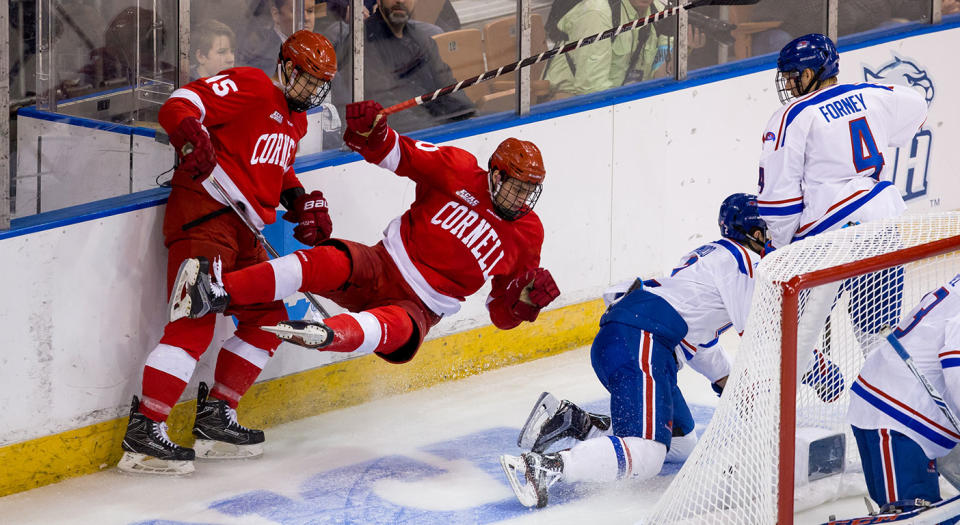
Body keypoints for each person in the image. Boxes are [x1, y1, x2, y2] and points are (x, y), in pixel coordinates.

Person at [167, 99, 560, 369]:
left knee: (395, 327)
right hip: (381, 263)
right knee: (326, 260)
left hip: (420, 308)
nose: (522, 198)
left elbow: (499, 313)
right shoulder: (457, 169)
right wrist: (372, 129)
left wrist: (524, 303)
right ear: (494, 174)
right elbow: (395, 153)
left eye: (530, 191)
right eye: (516, 187)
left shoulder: (528, 234)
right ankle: (216, 290)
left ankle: (329, 334)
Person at [118, 30, 338, 475]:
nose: (310, 91)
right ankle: (146, 428)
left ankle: (217, 415)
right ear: (285, 67)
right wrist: (190, 134)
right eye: (305, 80)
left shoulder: (294, 121)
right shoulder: (253, 85)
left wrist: (299, 201)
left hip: (244, 232)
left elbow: (275, 170)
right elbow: (179, 104)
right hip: (204, 216)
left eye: (319, 85)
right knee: (194, 322)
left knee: (271, 317)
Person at [500, 193, 766, 508]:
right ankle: (545, 468)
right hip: (642, 341)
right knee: (648, 455)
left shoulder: (708, 263)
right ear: (757, 233)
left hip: (629, 340)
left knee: (679, 444)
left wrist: (736, 385)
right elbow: (764, 333)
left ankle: (571, 422)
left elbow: (700, 344)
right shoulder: (745, 260)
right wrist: (813, 372)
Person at [757, 33, 927, 373]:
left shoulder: (793, 115)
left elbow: (780, 197)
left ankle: (776, 419)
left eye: (794, 75)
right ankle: (903, 404)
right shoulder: (871, 94)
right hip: (882, 223)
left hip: (830, 238)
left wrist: (780, 244)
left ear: (812, 72)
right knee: (876, 333)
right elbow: (918, 106)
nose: (789, 84)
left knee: (787, 334)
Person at [847, 274, 960, 513]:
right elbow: (955, 366)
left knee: (925, 513)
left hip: (901, 408)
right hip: (898, 414)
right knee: (913, 515)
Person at [331, 0, 474, 133]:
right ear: (379, 1)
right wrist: (441, 134)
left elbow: (450, 88)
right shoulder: (362, 46)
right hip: (409, 141)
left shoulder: (422, 39)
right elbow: (391, 113)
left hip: (441, 133)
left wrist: (471, 117)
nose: (400, 1)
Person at [544, 0, 672, 96]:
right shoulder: (597, 13)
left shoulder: (660, 11)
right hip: (571, 102)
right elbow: (591, 87)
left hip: (627, 100)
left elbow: (664, 73)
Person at [237, 0, 318, 74]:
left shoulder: (319, 48)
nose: (306, 18)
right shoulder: (263, 59)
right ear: (276, 14)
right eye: (297, 12)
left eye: (310, 11)